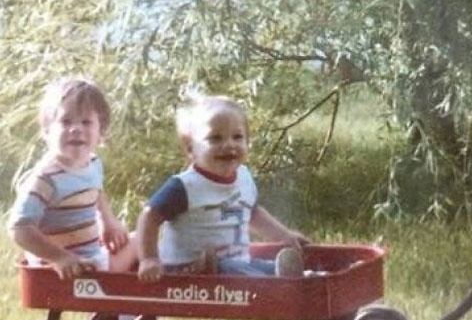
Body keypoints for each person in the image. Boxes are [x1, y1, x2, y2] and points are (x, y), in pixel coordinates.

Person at [136, 94, 307, 281]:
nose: (229, 144)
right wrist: (149, 258)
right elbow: (149, 216)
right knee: (241, 273)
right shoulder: (185, 186)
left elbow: (254, 213)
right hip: (187, 269)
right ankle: (278, 282)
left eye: (238, 137)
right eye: (215, 138)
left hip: (236, 264)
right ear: (191, 149)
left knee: (258, 268)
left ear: (247, 142)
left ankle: (297, 276)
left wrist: (285, 236)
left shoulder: (244, 177)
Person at [9, 77, 138, 280]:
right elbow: (19, 227)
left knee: (128, 242)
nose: (76, 128)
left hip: (87, 254)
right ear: (47, 130)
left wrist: (108, 221)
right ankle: (122, 310)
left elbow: (96, 191)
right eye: (65, 121)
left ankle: (119, 310)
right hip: (68, 266)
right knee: (141, 241)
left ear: (101, 132)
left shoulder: (93, 163)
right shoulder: (45, 179)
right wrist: (60, 258)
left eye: (86, 122)